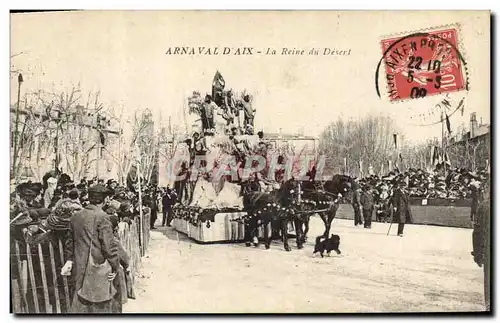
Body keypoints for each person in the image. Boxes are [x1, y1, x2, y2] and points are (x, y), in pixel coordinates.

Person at [62, 184, 120, 313]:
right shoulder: (102, 217)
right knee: (101, 305)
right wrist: (115, 267)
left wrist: (70, 260)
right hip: (98, 267)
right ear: (105, 200)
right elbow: (109, 246)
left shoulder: (76, 216)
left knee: (80, 304)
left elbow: (69, 242)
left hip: (79, 266)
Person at [472, 179, 490, 311]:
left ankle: (489, 304)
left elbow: (477, 233)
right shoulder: (484, 206)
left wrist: (477, 254)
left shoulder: (484, 206)